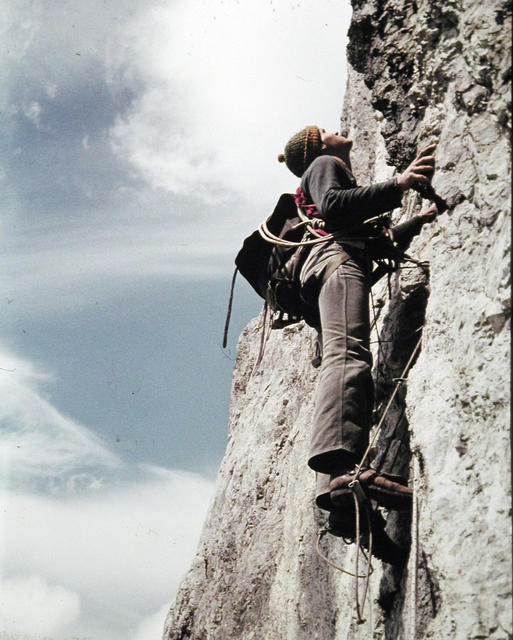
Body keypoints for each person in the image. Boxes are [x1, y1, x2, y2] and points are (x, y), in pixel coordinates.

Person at [278, 125, 438, 517]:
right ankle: (341, 471)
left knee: (341, 358)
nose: (338, 131)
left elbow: (363, 236)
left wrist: (416, 223)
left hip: (329, 268)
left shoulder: (321, 168)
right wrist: (399, 183)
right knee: (348, 356)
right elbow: (335, 206)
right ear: (316, 146)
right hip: (337, 262)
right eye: (326, 131)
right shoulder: (324, 163)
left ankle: (337, 504)